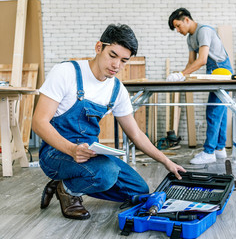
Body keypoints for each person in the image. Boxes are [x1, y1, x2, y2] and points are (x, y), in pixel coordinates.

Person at [32, 24, 186, 220]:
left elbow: (136, 134)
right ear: (99, 47)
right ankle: (68, 190)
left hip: (89, 153)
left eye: (124, 60)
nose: (116, 65)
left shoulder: (116, 89)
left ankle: (65, 182)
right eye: (112, 55)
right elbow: (38, 122)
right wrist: (72, 149)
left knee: (138, 189)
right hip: (56, 152)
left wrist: (166, 161)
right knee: (106, 173)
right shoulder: (66, 72)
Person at [167, 8, 234, 164]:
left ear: (187, 20)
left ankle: (209, 151)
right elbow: (191, 62)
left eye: (178, 26)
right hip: (213, 71)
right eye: (175, 28)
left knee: (214, 111)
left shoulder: (204, 31)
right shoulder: (190, 38)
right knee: (220, 111)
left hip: (222, 69)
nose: (178, 30)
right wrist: (182, 76)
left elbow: (202, 59)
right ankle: (219, 149)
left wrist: (181, 75)